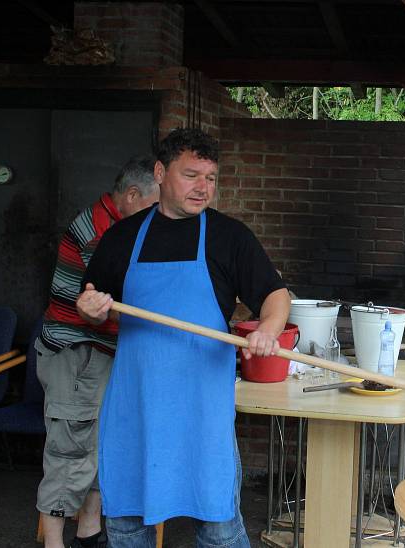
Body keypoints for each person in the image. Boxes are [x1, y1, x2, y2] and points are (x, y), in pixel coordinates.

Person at [76, 128, 290, 548]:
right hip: (135, 405)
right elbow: (90, 299)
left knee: (218, 527)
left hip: (202, 409)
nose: (203, 188)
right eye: (192, 175)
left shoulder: (229, 237)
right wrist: (90, 308)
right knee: (126, 524)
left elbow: (274, 295)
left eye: (210, 178)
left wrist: (267, 329)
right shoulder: (122, 237)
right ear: (160, 172)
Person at [36, 155, 160, 548]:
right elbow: (113, 299)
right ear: (132, 195)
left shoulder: (114, 224)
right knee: (68, 454)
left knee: (96, 448)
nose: (155, 215)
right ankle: (54, 544)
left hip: (96, 354)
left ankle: (89, 535)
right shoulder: (100, 233)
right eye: (152, 206)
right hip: (76, 354)